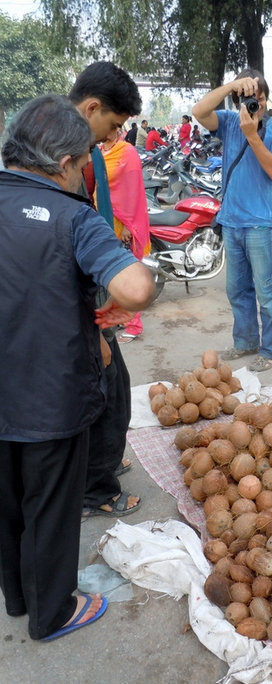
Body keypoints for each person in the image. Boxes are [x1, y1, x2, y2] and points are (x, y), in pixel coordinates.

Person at [0, 94, 154, 641]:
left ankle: (18, 599)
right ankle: (52, 614)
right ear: (65, 164)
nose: (90, 171)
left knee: (9, 504)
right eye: (87, 161)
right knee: (49, 508)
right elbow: (134, 288)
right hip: (51, 399)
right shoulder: (73, 216)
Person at [69, 60, 144, 519]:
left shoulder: (72, 146)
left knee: (115, 384)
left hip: (92, 291)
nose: (111, 137)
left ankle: (103, 466)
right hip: (77, 302)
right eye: (112, 126)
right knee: (105, 388)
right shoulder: (61, 158)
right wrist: (92, 330)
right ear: (91, 107)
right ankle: (95, 490)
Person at [193, 68, 272, 372]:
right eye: (249, 100)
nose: (255, 106)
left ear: (266, 99)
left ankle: (270, 349)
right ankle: (246, 341)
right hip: (232, 222)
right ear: (239, 100)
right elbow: (198, 111)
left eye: (259, 100)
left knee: (266, 293)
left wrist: (253, 136)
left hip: (259, 223)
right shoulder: (230, 123)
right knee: (237, 290)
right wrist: (232, 85)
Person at [100, 127, 151, 342]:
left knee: (127, 275)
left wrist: (129, 226)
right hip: (103, 220)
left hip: (123, 225)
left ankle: (133, 325)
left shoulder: (127, 152)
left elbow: (131, 191)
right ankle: (118, 317)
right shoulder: (100, 151)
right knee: (110, 277)